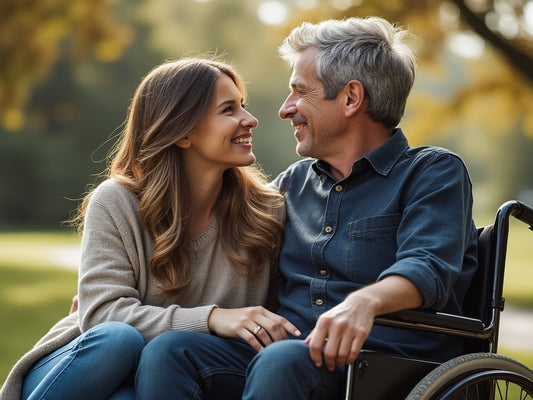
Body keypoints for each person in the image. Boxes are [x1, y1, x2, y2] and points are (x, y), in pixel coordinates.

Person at [138, 16, 478, 400]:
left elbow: (428, 265)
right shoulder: (292, 184)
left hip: (386, 360)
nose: (285, 110)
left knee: (281, 361)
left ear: (351, 98)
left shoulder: (432, 172)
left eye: (300, 92)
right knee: (170, 351)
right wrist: (136, 295)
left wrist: (364, 302)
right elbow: (223, 251)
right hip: (289, 352)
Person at [0, 57, 299, 400]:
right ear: (183, 132)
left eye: (242, 105)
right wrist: (213, 318)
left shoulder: (267, 212)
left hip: (172, 375)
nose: (250, 119)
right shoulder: (116, 201)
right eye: (228, 109)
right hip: (87, 365)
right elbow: (102, 318)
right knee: (119, 339)